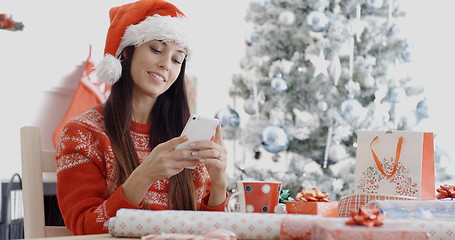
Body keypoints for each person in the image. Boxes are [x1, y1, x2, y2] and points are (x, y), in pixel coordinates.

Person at [56, 0, 228, 235]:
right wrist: (145, 175)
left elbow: (210, 231)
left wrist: (219, 182)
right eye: (157, 49)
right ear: (127, 50)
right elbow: (85, 227)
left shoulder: (185, 135)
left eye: (177, 59)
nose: (165, 64)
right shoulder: (82, 133)